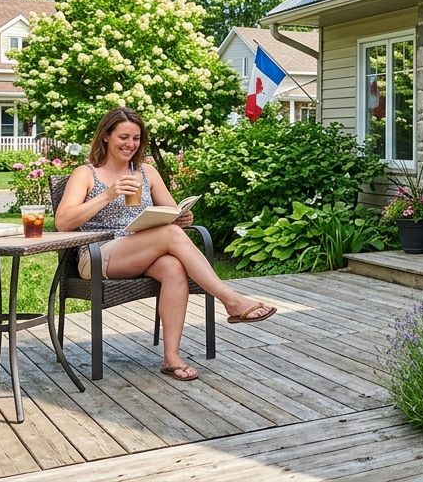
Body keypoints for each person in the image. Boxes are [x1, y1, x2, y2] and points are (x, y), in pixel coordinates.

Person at [55, 107, 276, 381]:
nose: (130, 144)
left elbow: (170, 214)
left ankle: (171, 357)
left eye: (136, 138)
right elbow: (62, 222)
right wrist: (108, 194)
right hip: (98, 255)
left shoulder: (147, 172)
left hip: (141, 249)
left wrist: (182, 218)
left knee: (172, 266)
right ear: (106, 137)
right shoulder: (86, 174)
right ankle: (231, 300)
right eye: (123, 136)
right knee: (171, 238)